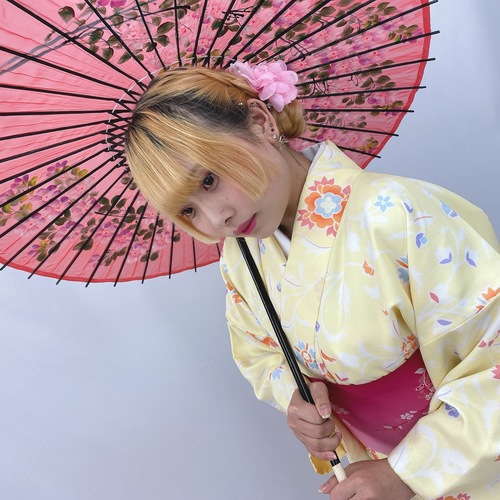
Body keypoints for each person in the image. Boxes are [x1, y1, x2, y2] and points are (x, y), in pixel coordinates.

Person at [125, 61, 500, 499]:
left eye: (209, 180)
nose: (216, 219)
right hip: (374, 470)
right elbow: (258, 352)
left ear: (262, 122)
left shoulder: (399, 213)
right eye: (188, 210)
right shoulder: (243, 258)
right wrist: (295, 396)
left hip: (464, 459)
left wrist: (407, 471)